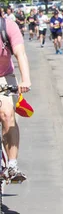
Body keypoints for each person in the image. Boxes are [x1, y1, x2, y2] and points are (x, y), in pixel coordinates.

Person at [0, 14, 32, 182]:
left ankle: (12, 165)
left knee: (6, 114)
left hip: (3, 77)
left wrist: (25, 79)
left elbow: (20, 53)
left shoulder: (7, 26)